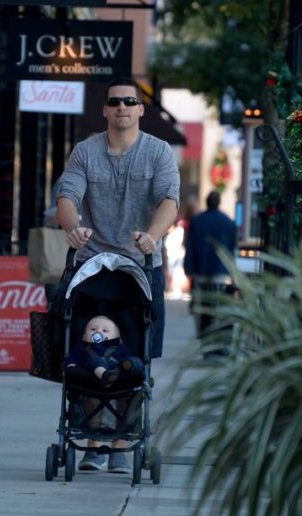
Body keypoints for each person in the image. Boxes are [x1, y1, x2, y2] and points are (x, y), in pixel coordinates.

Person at [54, 77, 180, 474]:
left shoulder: (158, 153)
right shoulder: (86, 152)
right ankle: (92, 439)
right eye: (115, 102)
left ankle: (123, 440)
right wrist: (73, 227)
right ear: (105, 110)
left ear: (141, 109)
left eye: (130, 101)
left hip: (141, 269)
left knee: (134, 358)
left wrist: (152, 237)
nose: (122, 107)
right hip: (93, 267)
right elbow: (67, 197)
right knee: (88, 354)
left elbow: (168, 201)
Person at [183, 191, 237, 338]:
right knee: (220, 308)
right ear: (219, 203)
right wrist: (233, 275)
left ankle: (204, 336)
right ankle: (218, 336)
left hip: (201, 273)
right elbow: (232, 252)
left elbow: (190, 247)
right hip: (222, 274)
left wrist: (189, 269)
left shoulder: (196, 221)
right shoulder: (229, 223)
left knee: (203, 309)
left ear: (206, 202)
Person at [64, 315, 144, 388]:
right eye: (93, 329)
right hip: (93, 374)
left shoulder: (120, 347)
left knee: (134, 359)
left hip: (119, 370)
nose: (98, 332)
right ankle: (105, 375)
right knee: (95, 361)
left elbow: (128, 355)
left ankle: (129, 366)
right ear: (84, 337)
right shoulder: (82, 347)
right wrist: (70, 365)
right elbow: (73, 358)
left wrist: (129, 362)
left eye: (105, 330)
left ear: (118, 338)